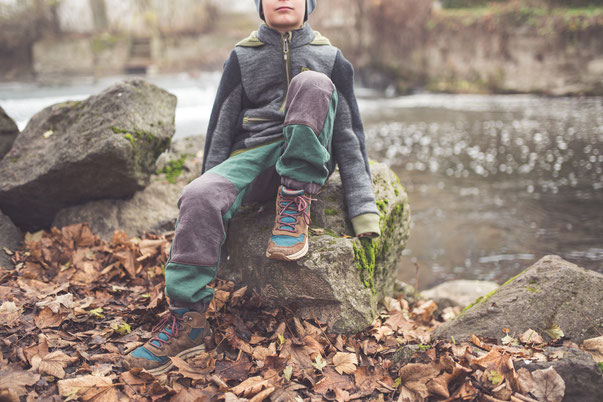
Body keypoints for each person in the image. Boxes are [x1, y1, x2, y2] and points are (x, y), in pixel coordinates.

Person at [123, 0, 381, 375]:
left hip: (309, 156)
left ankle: (293, 205)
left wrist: (363, 208)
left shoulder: (331, 56)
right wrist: (212, 190)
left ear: (310, 5)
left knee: (311, 82)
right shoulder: (242, 57)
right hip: (255, 155)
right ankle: (187, 324)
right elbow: (221, 126)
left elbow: (349, 134)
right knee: (199, 194)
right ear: (259, 6)